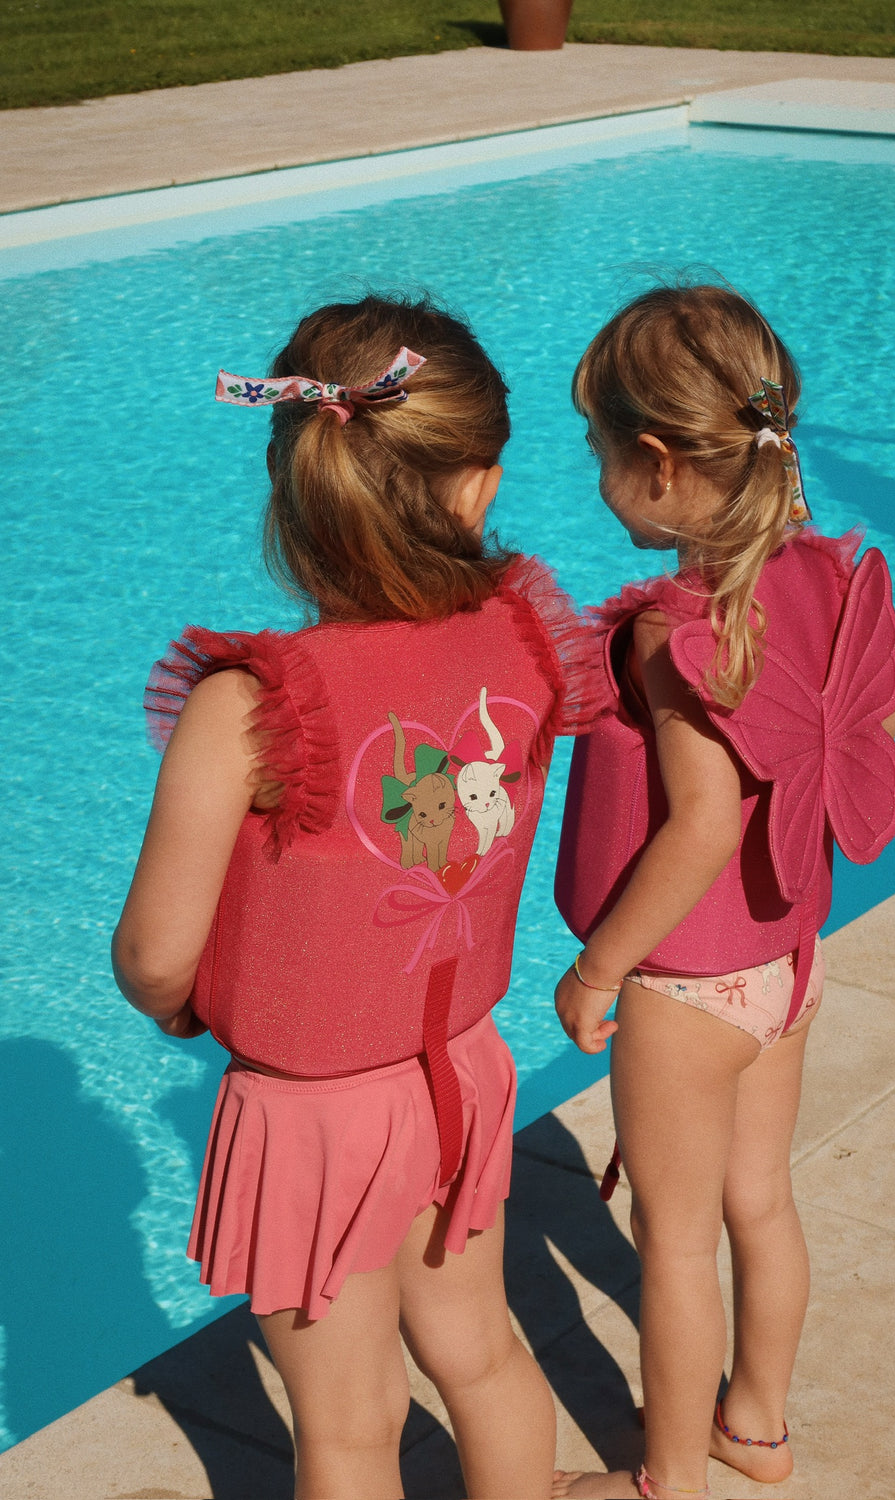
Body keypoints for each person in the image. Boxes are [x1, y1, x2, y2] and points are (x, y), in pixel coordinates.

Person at [111, 293, 603, 1500]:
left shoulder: (248, 705)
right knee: (481, 1353)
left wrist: (180, 1007)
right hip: (459, 1070)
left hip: (312, 1116)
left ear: (294, 492)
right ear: (478, 488)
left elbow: (155, 954)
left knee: (347, 1427)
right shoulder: (526, 635)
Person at [550, 283, 895, 1499]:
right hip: (787, 963)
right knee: (761, 1200)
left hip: (688, 990)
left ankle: (665, 1482)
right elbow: (877, 718)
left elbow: (700, 822)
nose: (596, 471)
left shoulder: (676, 629)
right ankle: (753, 1425)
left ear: (657, 461)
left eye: (596, 447)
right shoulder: (828, 574)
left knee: (673, 1242)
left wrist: (597, 966)